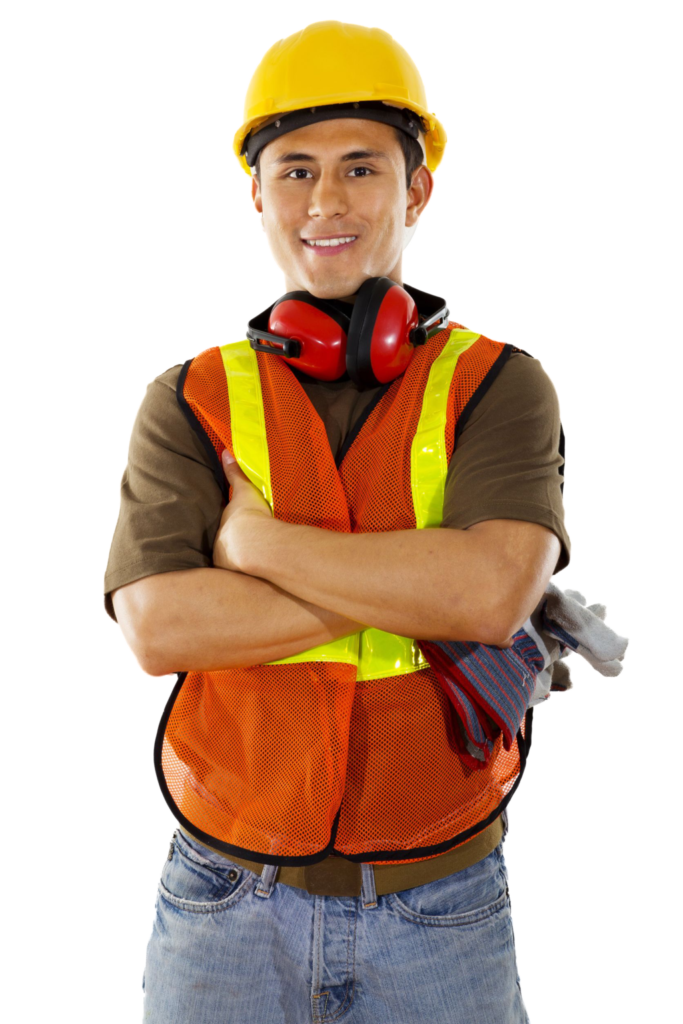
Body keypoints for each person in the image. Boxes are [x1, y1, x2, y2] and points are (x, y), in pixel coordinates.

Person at [103, 19, 571, 1024]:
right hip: (222, 894)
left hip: (443, 899)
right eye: (295, 171)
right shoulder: (187, 398)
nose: (325, 201)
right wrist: (419, 588)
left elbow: (489, 596)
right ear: (256, 195)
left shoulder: (499, 383)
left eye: (360, 167)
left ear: (417, 189)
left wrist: (257, 548)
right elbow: (159, 628)